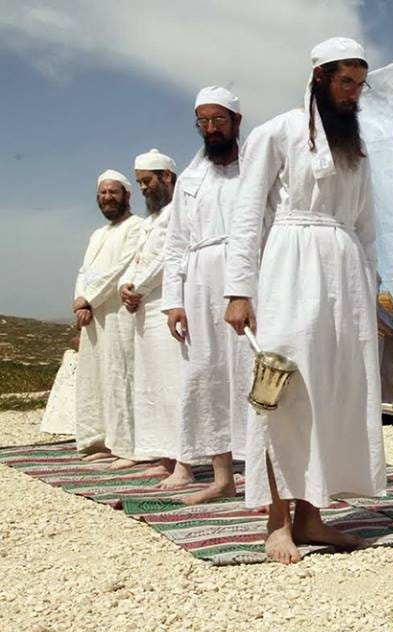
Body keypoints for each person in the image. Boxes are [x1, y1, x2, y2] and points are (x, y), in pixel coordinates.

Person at [223, 37, 386, 564]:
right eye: (346, 83)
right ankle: (277, 522)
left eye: (360, 85)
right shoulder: (277, 132)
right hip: (290, 266)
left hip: (345, 277)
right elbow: (248, 216)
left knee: (333, 392)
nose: (354, 95)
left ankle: (313, 517)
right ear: (320, 77)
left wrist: (371, 290)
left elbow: (366, 228)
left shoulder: (356, 150)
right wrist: (238, 291)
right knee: (282, 390)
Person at [161, 86, 249, 500]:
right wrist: (174, 300)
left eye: (219, 120)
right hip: (198, 282)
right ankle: (222, 478)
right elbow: (176, 242)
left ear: (236, 122)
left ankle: (268, 474)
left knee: (252, 371)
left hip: (248, 277)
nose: (211, 129)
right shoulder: (191, 180)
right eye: (204, 122)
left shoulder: (257, 169)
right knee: (207, 374)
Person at [119, 148, 183, 474]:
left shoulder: (179, 213)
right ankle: (164, 457)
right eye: (139, 183)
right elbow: (140, 259)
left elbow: (169, 257)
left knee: (174, 385)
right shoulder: (150, 222)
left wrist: (139, 288)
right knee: (151, 387)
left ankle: (184, 459)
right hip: (144, 308)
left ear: (166, 177)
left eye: (147, 181)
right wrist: (126, 285)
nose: (143, 188)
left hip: (166, 305)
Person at [74, 170, 142, 465]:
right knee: (97, 379)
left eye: (113, 192)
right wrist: (81, 302)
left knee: (121, 377)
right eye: (102, 193)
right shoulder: (97, 235)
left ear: (127, 195)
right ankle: (102, 441)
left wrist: (89, 298)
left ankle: (130, 447)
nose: (107, 198)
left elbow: (121, 269)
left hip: (118, 316)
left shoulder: (136, 227)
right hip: (94, 318)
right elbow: (85, 272)